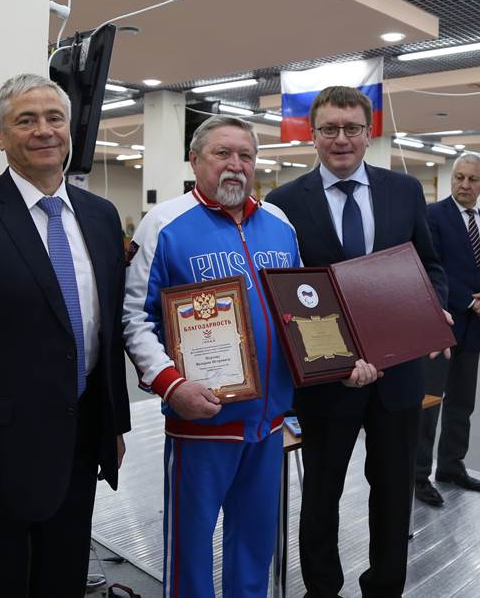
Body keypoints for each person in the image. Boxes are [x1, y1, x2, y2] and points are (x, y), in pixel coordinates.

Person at [0, 74, 131, 597]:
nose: (44, 131)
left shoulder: (101, 218)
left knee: (65, 578)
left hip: (82, 440)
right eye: (25, 120)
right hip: (0, 454)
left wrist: (113, 425)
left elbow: (108, 333)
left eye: (55, 118)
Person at [123, 115, 335, 598]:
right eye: (222, 153)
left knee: (255, 544)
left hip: (269, 423)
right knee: (191, 546)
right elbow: (134, 318)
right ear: (195, 160)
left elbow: (301, 309)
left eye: (246, 155)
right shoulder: (165, 224)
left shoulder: (280, 224)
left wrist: (334, 358)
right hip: (202, 420)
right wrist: (171, 384)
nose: (236, 165)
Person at [265, 86, 449, 598]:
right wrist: (333, 359)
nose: (340, 139)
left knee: (392, 490)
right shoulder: (283, 204)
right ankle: (322, 588)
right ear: (312, 134)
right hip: (327, 376)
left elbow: (430, 266)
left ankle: (385, 586)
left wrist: (433, 307)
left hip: (398, 372)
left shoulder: (404, 191)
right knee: (321, 491)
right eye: (329, 129)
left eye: (351, 128)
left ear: (369, 134)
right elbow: (284, 292)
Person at [414, 152, 480, 507]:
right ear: (450, 179)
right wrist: (470, 300)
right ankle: (418, 474)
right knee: (429, 403)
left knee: (462, 403)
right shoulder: (432, 216)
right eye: (459, 177)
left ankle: (451, 466)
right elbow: (430, 268)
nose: (464, 184)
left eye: (472, 179)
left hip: (474, 328)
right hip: (439, 325)